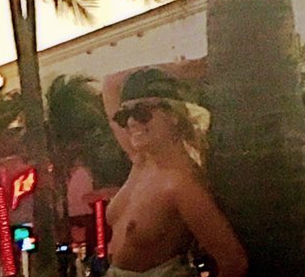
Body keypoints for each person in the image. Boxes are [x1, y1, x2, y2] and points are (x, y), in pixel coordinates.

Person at [102, 66, 247, 277]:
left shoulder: (182, 184)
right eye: (126, 115)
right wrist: (187, 68)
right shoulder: (142, 160)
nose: (131, 122)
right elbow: (110, 82)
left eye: (142, 113)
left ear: (173, 115)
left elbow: (233, 261)